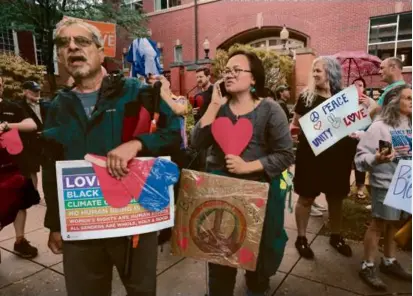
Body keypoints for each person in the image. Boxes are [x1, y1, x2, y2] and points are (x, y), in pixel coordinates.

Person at [41, 18, 180, 296]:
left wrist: (138, 144)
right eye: (63, 44)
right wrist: (55, 224)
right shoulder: (58, 105)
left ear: (99, 50)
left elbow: (173, 134)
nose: (72, 47)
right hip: (81, 226)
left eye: (81, 41)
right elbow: (50, 168)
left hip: (133, 225)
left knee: (141, 290)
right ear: (59, 57)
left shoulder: (136, 92)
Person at [191, 49, 294, 296]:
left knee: (257, 261)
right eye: (227, 70)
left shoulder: (270, 109)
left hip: (259, 198)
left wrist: (247, 166)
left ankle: (256, 285)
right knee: (220, 261)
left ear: (254, 78)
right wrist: (214, 105)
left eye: (237, 69)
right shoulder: (219, 108)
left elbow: (286, 155)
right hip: (221, 198)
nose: (229, 74)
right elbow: (196, 142)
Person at [292, 56, 356, 259]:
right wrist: (303, 129)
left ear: (331, 72)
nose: (315, 74)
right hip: (311, 157)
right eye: (314, 71)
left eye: (318, 70)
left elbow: (352, 126)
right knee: (306, 198)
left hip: (338, 158)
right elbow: (295, 125)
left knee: (336, 198)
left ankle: (336, 236)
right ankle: (301, 238)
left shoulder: (343, 97)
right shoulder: (306, 97)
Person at [355, 84, 412, 291]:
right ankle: (367, 265)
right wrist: (377, 159)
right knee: (378, 223)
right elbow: (360, 159)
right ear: (395, 102)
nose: (412, 102)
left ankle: (389, 261)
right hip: (386, 184)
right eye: (408, 98)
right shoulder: (379, 127)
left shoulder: (411, 123)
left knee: (394, 224)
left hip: (406, 184)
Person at [0, 76, 40, 259]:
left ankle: (20, 240)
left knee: (19, 203)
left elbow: (31, 125)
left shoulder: (11, 107)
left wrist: (6, 126)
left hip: (11, 167)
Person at [349, 77, 377, 199]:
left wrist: (366, 107)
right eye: (355, 85)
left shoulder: (370, 102)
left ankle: (360, 187)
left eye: (360, 85)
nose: (357, 88)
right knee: (347, 162)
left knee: (360, 162)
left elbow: (375, 119)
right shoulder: (347, 101)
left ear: (364, 88)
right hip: (349, 137)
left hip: (363, 138)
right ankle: (346, 187)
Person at [18, 81, 49, 188]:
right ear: (26, 92)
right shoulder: (19, 106)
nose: (37, 93)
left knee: (49, 170)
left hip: (46, 141)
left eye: (38, 91)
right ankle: (33, 194)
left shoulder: (45, 104)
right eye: (34, 91)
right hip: (29, 143)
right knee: (32, 171)